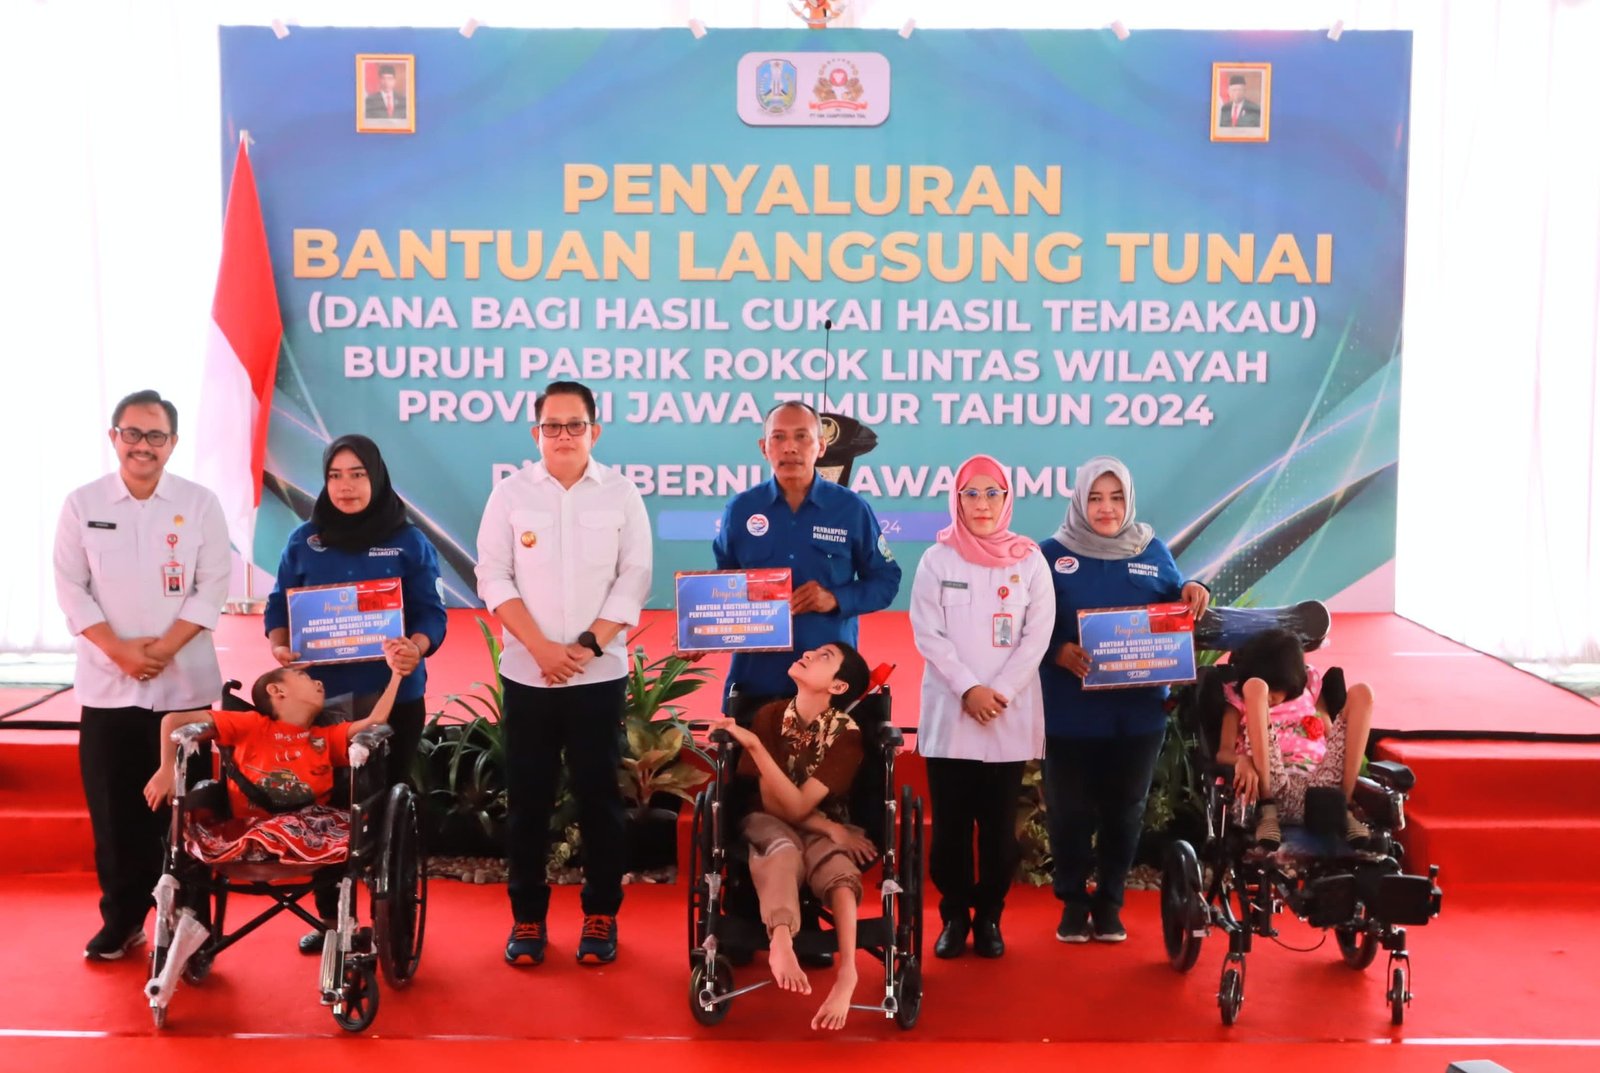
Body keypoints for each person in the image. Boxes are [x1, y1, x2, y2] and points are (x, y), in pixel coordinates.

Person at [475, 380, 652, 967]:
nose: (564, 435)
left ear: (594, 431)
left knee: (600, 798)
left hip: (598, 677)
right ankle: (527, 917)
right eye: (552, 426)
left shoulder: (622, 494)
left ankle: (601, 914)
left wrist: (584, 647)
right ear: (536, 433)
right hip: (529, 676)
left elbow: (635, 577)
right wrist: (541, 650)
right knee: (528, 800)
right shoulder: (510, 494)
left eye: (575, 425)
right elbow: (492, 575)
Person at [53, 389, 230, 961]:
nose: (143, 446)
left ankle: (193, 929)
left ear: (172, 443)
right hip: (108, 686)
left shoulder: (199, 503)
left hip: (186, 687)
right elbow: (71, 588)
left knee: (191, 816)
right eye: (132, 433)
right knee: (114, 814)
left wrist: (165, 649)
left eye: (156, 436)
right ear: (114, 437)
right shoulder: (82, 504)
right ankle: (123, 919)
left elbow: (212, 585)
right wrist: (120, 653)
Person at [263, 433, 448, 952]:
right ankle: (332, 921)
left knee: (386, 811)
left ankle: (392, 921)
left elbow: (431, 614)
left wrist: (414, 647)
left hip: (391, 699)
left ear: (377, 478)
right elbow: (279, 604)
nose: (346, 486)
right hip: (319, 703)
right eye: (335, 476)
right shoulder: (305, 540)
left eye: (358, 474)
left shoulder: (408, 542)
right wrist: (280, 645)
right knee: (324, 808)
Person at [1037, 456, 1209, 944]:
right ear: (1079, 500)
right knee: (1069, 814)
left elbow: (1177, 599)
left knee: (1125, 812)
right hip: (1069, 714)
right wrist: (1057, 650)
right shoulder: (1049, 555)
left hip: (1137, 716)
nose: (1106, 508)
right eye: (1095, 498)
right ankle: (1073, 902)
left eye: (1115, 498)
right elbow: (1024, 625)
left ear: (1129, 500)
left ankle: (1111, 902)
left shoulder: (1151, 549)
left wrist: (1195, 587)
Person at [909, 455, 1055, 959]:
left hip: (1006, 715)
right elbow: (928, 632)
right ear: (957, 499)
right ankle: (953, 916)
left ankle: (990, 916)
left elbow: (1038, 635)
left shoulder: (1029, 560)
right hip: (952, 715)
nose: (982, 504)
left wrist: (1001, 691)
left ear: (1007, 499)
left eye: (993, 493)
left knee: (998, 834)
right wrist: (968, 688)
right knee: (950, 833)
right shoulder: (937, 559)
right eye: (971, 493)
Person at [715, 642, 875, 1031]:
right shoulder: (769, 716)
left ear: (838, 687)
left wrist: (830, 827)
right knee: (783, 850)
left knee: (837, 869)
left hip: (823, 816)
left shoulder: (847, 735)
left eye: (824, 657)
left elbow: (801, 806)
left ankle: (848, 973)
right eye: (814, 651)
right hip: (766, 818)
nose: (808, 654)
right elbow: (779, 808)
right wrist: (755, 743)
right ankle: (782, 940)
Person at [713, 401, 901, 719]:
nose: (790, 447)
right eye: (779, 437)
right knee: (749, 754)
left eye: (802, 436)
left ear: (821, 447)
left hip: (828, 689)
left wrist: (835, 599)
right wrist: (701, 632)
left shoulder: (851, 509)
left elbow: (886, 580)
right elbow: (722, 588)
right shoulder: (741, 509)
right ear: (764, 447)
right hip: (755, 682)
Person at [141, 648, 405, 820]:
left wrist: (396, 675)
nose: (318, 682)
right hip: (250, 828)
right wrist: (167, 769)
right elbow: (173, 720)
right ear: (277, 691)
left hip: (311, 827)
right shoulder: (249, 724)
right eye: (304, 678)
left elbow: (375, 720)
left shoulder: (326, 736)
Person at [1215, 628, 1375, 849]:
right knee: (1256, 688)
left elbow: (1329, 732)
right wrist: (1241, 760)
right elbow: (1223, 753)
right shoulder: (1241, 700)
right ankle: (1267, 809)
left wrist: (1337, 755)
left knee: (1363, 692)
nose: (1270, 696)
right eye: (1268, 688)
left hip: (1321, 788)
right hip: (1271, 783)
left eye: (1276, 688)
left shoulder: (1309, 692)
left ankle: (1344, 806)